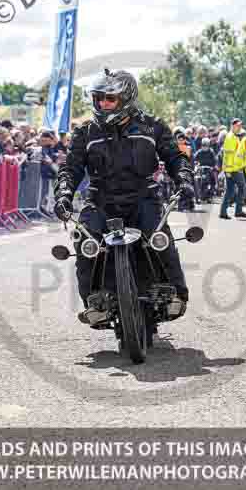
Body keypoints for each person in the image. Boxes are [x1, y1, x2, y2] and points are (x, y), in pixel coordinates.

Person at [53, 69, 194, 327]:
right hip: (100, 199)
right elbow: (70, 168)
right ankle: (95, 303)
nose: (103, 104)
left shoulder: (153, 126)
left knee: (160, 237)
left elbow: (175, 157)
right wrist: (63, 193)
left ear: (126, 98)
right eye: (99, 98)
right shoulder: (85, 132)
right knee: (86, 242)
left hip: (143, 196)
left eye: (110, 99)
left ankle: (175, 293)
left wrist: (184, 179)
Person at [219, 119, 246, 219]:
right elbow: (228, 155)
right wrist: (227, 170)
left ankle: (224, 212)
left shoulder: (232, 136)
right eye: (238, 126)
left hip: (233, 169)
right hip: (233, 169)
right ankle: (238, 211)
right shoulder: (231, 137)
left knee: (230, 190)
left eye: (240, 126)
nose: (240, 127)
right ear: (233, 126)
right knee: (242, 188)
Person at [192, 137, 217, 202]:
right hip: (201, 169)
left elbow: (215, 160)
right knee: (197, 180)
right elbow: (194, 159)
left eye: (206, 146)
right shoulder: (199, 152)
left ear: (209, 146)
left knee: (213, 180)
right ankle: (198, 195)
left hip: (209, 168)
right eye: (203, 145)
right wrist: (196, 165)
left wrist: (214, 166)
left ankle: (210, 195)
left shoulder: (211, 152)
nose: (205, 147)